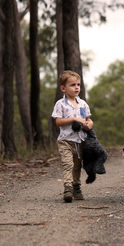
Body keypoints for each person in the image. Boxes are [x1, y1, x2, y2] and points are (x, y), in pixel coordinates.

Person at [52, 70, 93, 203]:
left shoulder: (83, 104)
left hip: (79, 141)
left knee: (77, 165)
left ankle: (76, 186)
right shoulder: (61, 104)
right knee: (67, 164)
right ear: (63, 88)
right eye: (72, 85)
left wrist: (88, 124)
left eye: (78, 84)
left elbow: (89, 120)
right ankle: (68, 188)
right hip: (65, 140)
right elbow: (58, 122)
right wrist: (73, 119)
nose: (76, 87)